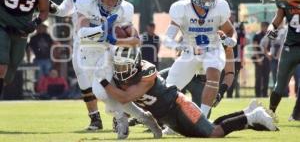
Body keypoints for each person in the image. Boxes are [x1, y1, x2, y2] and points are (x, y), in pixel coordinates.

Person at [98, 47, 278, 138]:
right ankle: (248, 115)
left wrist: (102, 81)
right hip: (168, 116)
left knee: (213, 133)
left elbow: (125, 97)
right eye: (119, 66)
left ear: (136, 64)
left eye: (125, 66)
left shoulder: (146, 73)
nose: (121, 71)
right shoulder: (125, 76)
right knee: (205, 130)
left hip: (178, 107)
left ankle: (252, 116)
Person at [75, 0, 162, 139]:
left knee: (100, 91)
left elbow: (135, 39)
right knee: (108, 95)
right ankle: (143, 117)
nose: (111, 3)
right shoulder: (85, 1)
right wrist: (103, 28)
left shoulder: (125, 9)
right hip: (86, 52)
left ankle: (121, 118)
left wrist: (115, 39)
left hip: (108, 51)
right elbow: (81, 32)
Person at [162, 0, 237, 118]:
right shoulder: (182, 9)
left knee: (213, 72)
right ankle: (172, 123)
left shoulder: (219, 7)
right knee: (169, 89)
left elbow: (229, 30)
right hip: (190, 52)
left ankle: (201, 118)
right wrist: (178, 46)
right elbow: (167, 38)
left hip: (213, 49)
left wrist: (231, 39)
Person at [49, 0, 104, 130]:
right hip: (80, 36)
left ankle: (119, 114)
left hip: (102, 34)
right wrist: (54, 9)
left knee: (109, 75)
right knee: (82, 74)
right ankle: (95, 118)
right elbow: (68, 6)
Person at [0, 0, 51, 97]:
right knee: (1, 65)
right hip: (2, 24)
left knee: (11, 71)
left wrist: (35, 23)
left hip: (22, 30)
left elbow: (44, 11)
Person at [260, 0, 300, 120]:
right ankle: (270, 114)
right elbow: (276, 21)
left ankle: (296, 114)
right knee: (279, 85)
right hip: (290, 47)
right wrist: (271, 29)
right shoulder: (283, 3)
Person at [252, 22, 270, 97]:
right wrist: (258, 58)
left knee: (266, 77)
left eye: (267, 27)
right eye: (264, 27)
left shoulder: (270, 35)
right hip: (258, 59)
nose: (265, 28)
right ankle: (258, 94)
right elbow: (255, 47)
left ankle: (265, 94)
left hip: (267, 59)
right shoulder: (257, 35)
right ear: (262, 27)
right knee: (258, 77)